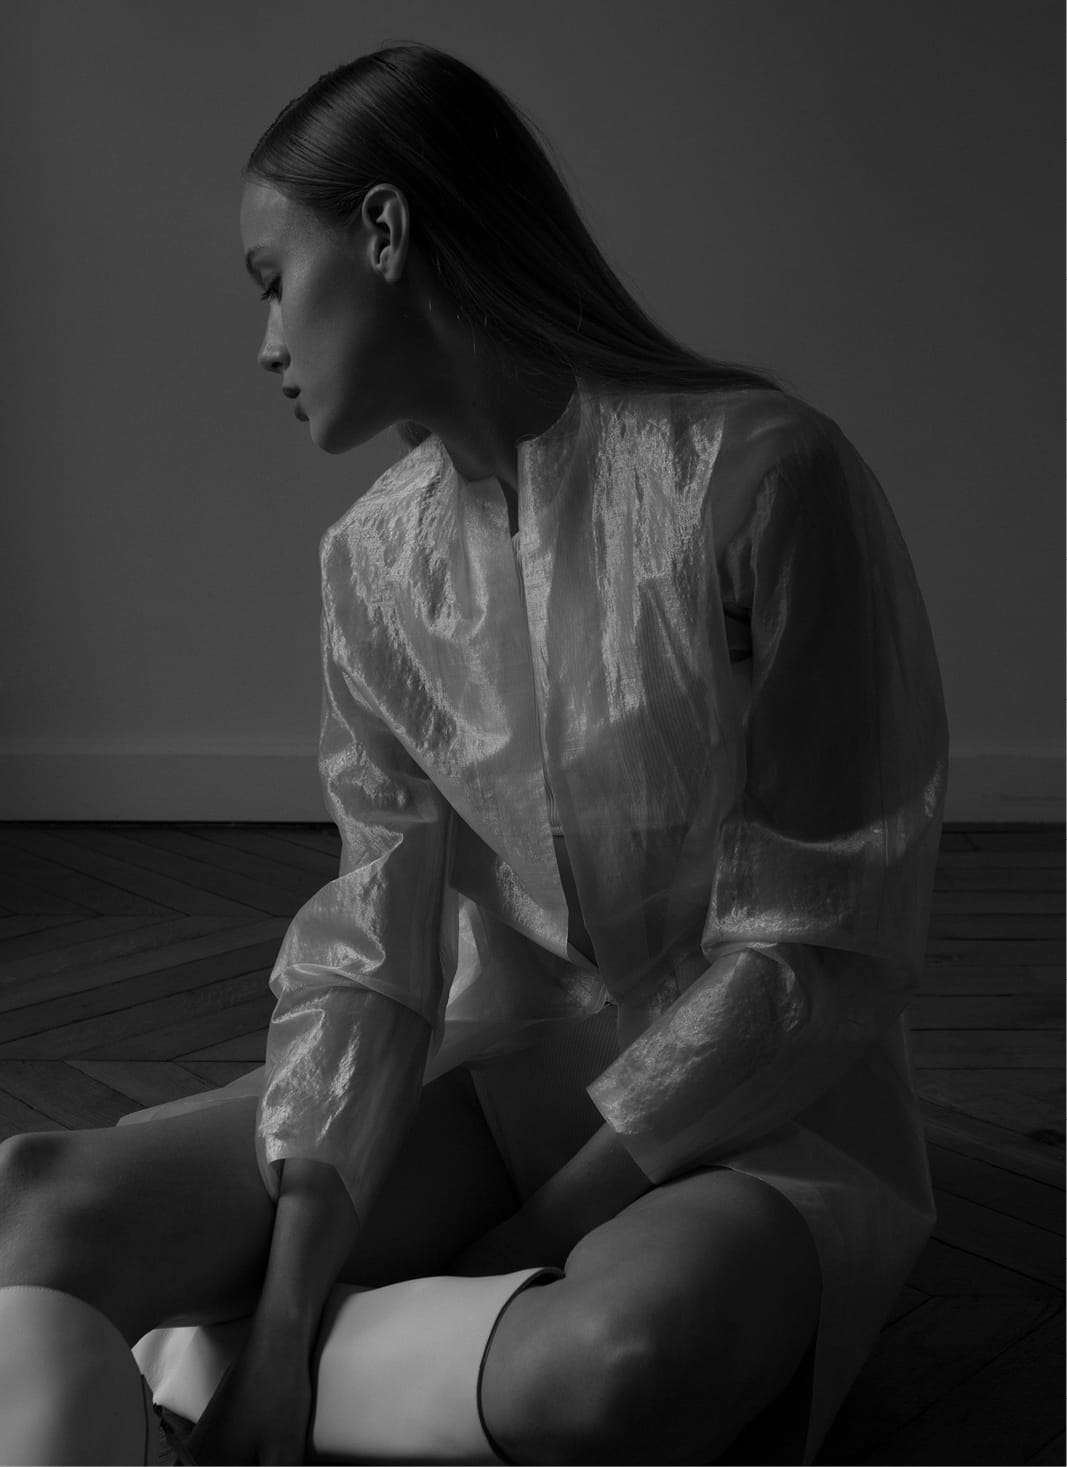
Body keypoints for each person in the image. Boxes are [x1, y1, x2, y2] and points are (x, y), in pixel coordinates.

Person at [0, 40, 948, 1467]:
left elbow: (820, 940)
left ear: (384, 231)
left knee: (614, 1363)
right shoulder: (374, 561)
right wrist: (289, 1305)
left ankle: (187, 1365)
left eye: (273, 279)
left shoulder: (762, 475)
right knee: (37, 1204)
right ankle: (281, 1362)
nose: (265, 343)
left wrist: (526, 1235)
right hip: (498, 1074)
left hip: (765, 1114)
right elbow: (373, 954)